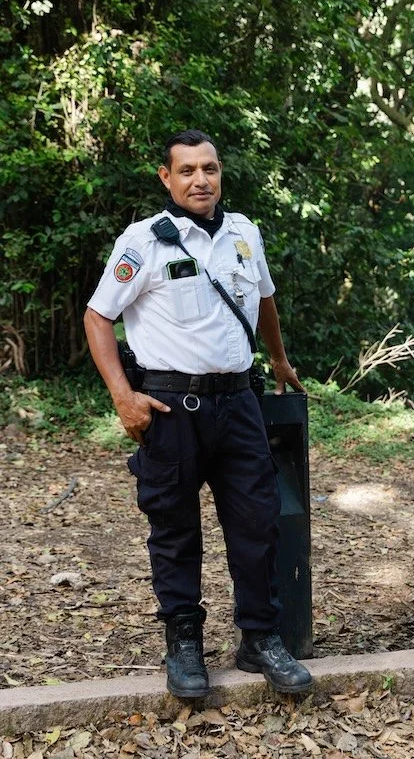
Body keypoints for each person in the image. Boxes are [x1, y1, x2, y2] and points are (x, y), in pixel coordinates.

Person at [84, 129, 314, 698]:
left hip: (238, 403)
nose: (200, 180)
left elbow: (263, 299)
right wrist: (122, 395)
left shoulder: (243, 233)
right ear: (166, 178)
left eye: (208, 169)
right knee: (175, 528)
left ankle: (260, 638)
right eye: (186, 171)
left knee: (257, 523)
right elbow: (97, 317)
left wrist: (279, 359)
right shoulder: (142, 242)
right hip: (169, 406)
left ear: (220, 174)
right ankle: (183, 645)